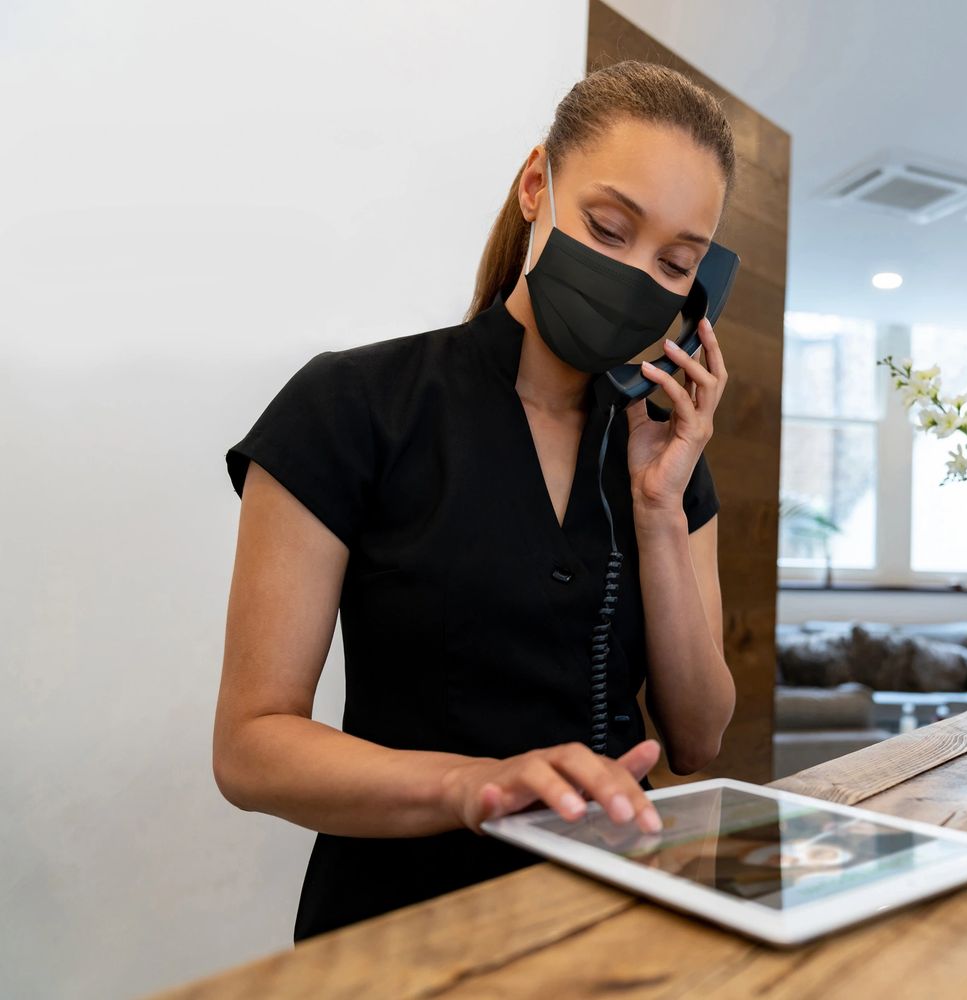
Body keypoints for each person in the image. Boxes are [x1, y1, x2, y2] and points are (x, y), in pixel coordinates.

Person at [213, 60, 738, 942]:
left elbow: (698, 738)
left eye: (676, 263)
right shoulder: (351, 407)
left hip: (619, 919)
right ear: (536, 185)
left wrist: (658, 508)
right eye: (608, 229)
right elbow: (250, 747)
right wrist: (471, 787)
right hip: (401, 920)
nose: (637, 277)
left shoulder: (665, 455)